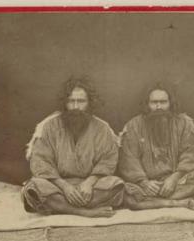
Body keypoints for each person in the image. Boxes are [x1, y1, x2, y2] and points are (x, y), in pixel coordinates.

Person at [21, 78, 123, 217]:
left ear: (89, 103)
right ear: (65, 103)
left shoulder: (102, 128)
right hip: (58, 186)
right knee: (34, 187)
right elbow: (40, 162)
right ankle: (83, 212)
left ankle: (60, 207)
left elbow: (108, 160)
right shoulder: (50, 126)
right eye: (71, 101)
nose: (75, 106)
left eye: (81, 101)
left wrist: (89, 183)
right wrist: (65, 187)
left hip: (90, 186)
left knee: (116, 185)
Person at [118, 85, 194, 210]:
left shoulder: (185, 123)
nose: (158, 107)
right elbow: (129, 159)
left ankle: (150, 203)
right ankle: (176, 203)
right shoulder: (134, 125)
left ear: (170, 103)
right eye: (154, 102)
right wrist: (144, 183)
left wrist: (174, 178)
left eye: (163, 102)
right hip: (146, 183)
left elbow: (191, 154)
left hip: (174, 181)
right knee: (127, 194)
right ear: (147, 104)